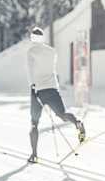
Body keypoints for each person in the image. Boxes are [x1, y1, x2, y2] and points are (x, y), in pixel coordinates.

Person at [25, 26, 86, 163]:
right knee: (62, 114)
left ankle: (34, 155)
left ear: (32, 38)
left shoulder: (31, 52)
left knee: (34, 124)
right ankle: (77, 122)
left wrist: (33, 86)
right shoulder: (52, 52)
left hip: (38, 90)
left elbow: (30, 71)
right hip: (53, 89)